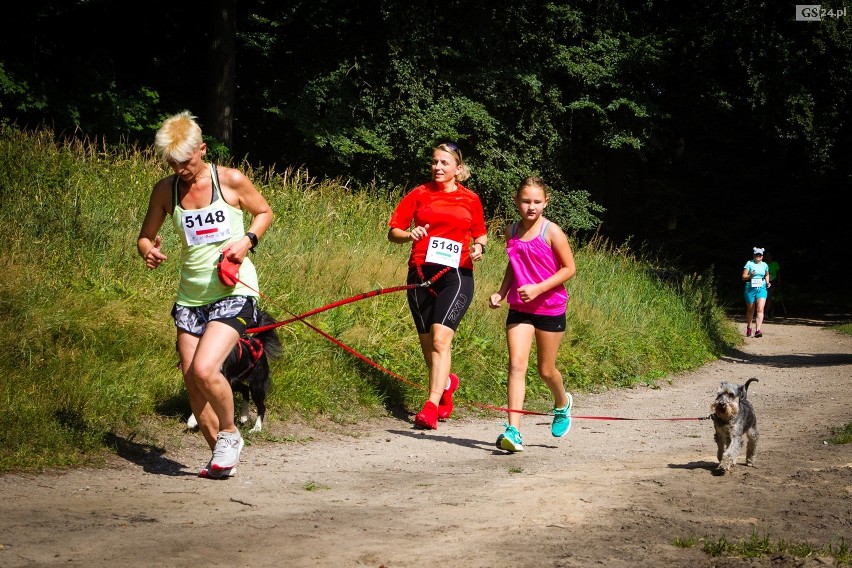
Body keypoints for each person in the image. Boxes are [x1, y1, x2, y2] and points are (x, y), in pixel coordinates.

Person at [137, 111, 273, 478]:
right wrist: (148, 249)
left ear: (202, 149)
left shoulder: (230, 179)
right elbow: (145, 235)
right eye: (172, 161)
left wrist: (247, 241)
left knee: (205, 368)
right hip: (190, 296)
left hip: (233, 289)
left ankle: (230, 433)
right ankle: (220, 454)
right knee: (191, 377)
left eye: (186, 160)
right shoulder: (165, 190)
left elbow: (263, 212)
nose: (180, 168)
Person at [387, 142, 488, 429]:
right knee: (428, 344)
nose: (438, 168)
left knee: (441, 339)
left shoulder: (470, 199)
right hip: (420, 272)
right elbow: (393, 232)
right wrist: (409, 235)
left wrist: (479, 246)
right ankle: (445, 386)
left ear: (458, 169)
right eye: (434, 162)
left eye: (444, 163)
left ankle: (430, 406)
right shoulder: (419, 194)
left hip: (456, 274)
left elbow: (480, 234)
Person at [488, 176, 577, 452]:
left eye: (537, 202)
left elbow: (569, 269)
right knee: (516, 365)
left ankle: (562, 404)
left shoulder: (552, 232)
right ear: (516, 201)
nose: (531, 207)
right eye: (526, 201)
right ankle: (513, 430)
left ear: (546, 203)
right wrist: (501, 293)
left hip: (550, 308)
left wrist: (538, 288)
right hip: (520, 307)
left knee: (546, 370)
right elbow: (513, 265)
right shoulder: (510, 230)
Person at [742, 247, 771, 338]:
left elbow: (767, 275)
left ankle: (758, 330)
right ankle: (749, 327)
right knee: (751, 309)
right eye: (756, 254)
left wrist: (767, 282)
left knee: (760, 309)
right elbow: (743, 277)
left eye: (760, 255)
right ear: (753, 255)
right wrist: (751, 275)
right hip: (750, 288)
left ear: (762, 256)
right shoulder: (749, 263)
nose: (758, 256)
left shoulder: (765, 265)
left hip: (762, 288)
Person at [765, 251, 781, 318]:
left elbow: (778, 273)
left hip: (773, 282)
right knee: (768, 298)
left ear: (771, 256)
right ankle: (771, 311)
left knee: (770, 296)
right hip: (766, 281)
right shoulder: (765, 264)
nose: (768, 257)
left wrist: (779, 282)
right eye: (767, 256)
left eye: (769, 256)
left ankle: (766, 313)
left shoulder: (775, 264)